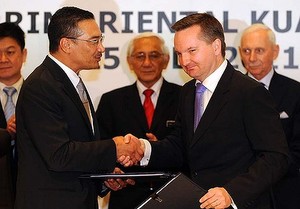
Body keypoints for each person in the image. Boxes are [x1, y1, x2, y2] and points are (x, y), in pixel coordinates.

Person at [125, 13, 289, 209]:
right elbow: (180, 146)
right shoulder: (187, 92)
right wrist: (143, 149)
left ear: (216, 46)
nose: (184, 61)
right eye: (179, 53)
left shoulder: (249, 92)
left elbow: (276, 157)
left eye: (192, 50)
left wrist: (232, 193)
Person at [14, 6, 143, 209]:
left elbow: (78, 148)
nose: (101, 48)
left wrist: (103, 175)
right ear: (66, 44)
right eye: (94, 41)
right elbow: (59, 155)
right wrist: (115, 147)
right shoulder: (41, 85)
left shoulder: (70, 82)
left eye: (101, 40)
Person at [96, 32, 181, 209]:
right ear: (130, 61)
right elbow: (100, 148)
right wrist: (113, 171)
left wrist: (160, 149)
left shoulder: (185, 97)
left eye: (154, 55)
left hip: (174, 197)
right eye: (140, 56)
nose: (147, 63)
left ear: (165, 60)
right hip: (126, 197)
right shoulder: (111, 101)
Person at [239, 23, 300, 209]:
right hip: (239, 193)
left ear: (275, 51)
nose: (252, 58)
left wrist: (264, 174)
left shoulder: (295, 92)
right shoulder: (229, 92)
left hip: (285, 194)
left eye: (259, 50)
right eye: (247, 50)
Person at [0, 22, 27, 209]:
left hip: (33, 194)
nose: (2, 59)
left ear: (23, 54)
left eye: (10, 52)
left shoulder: (41, 94)